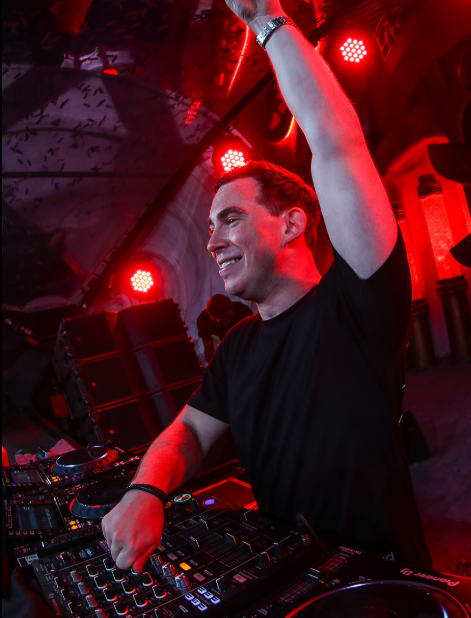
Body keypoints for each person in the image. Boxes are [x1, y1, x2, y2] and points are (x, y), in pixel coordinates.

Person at [102, 0, 432, 572]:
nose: (212, 243)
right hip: (289, 582)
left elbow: (336, 143)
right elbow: (189, 432)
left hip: (378, 585)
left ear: (292, 224)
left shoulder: (356, 302)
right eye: (209, 228)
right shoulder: (238, 348)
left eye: (230, 219)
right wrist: (145, 490)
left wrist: (265, 21)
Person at [197, 294, 253, 362]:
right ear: (211, 317)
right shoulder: (204, 321)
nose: (224, 321)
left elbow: (254, 339)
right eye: (218, 319)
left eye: (227, 316)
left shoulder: (243, 311)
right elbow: (208, 349)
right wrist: (214, 367)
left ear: (231, 309)